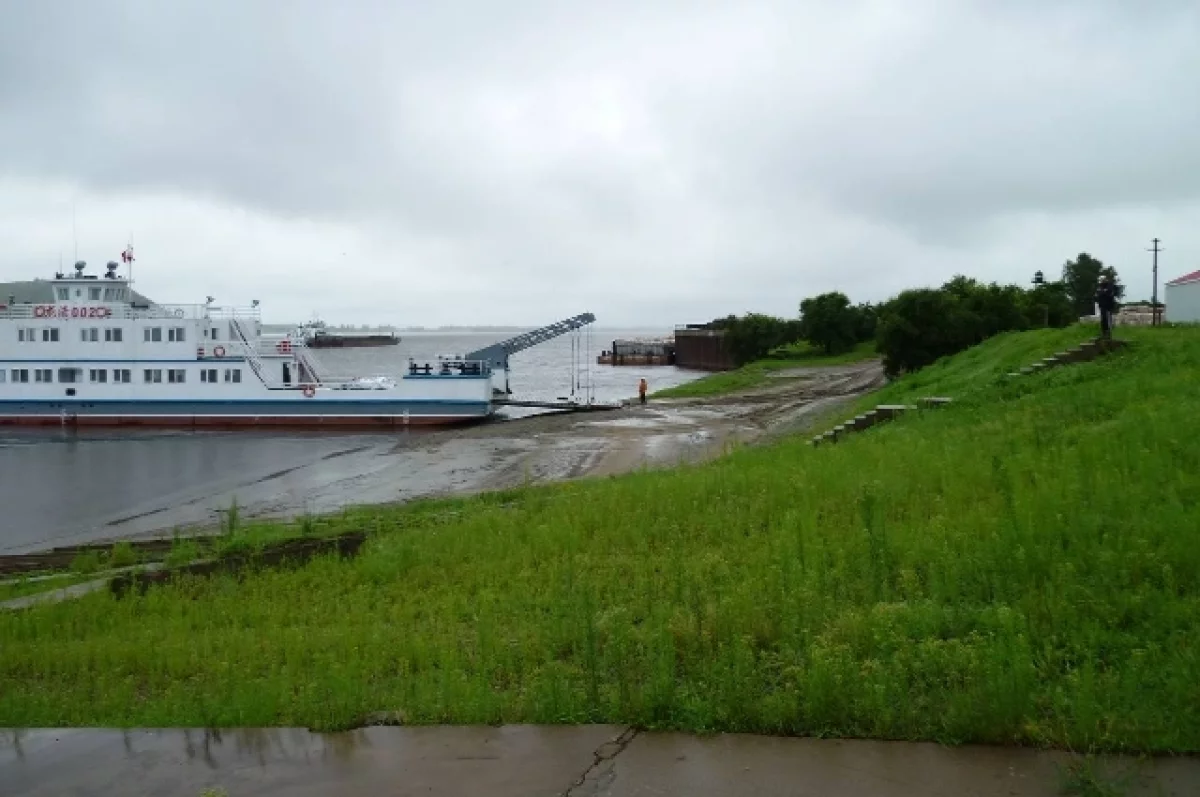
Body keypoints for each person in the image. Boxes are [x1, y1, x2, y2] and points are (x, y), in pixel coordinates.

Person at [1095, 275, 1116, 340]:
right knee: (1103, 319)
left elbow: (1109, 293)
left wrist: (1103, 292)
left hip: (1108, 306)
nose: (1101, 283)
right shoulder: (1100, 286)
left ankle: (1108, 333)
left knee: (1108, 319)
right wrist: (1103, 292)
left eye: (1102, 281)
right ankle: (1103, 333)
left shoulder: (1110, 285)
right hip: (1102, 306)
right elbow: (1098, 294)